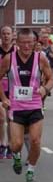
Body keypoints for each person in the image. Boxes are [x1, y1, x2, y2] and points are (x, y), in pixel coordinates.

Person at [0, 28, 53, 182]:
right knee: (16, 144)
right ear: (17, 43)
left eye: (30, 43)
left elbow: (51, 79)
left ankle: (30, 170)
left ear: (34, 42)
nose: (26, 46)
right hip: (16, 108)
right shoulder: (9, 59)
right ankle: (16, 156)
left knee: (35, 141)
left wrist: (45, 88)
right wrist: (4, 98)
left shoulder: (40, 58)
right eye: (23, 43)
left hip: (35, 106)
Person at [0, 26, 14, 159]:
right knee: (1, 117)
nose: (6, 36)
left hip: (12, 89)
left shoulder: (17, 51)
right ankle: (2, 144)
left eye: (8, 33)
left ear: (12, 35)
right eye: (3, 33)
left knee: (10, 118)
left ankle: (10, 145)